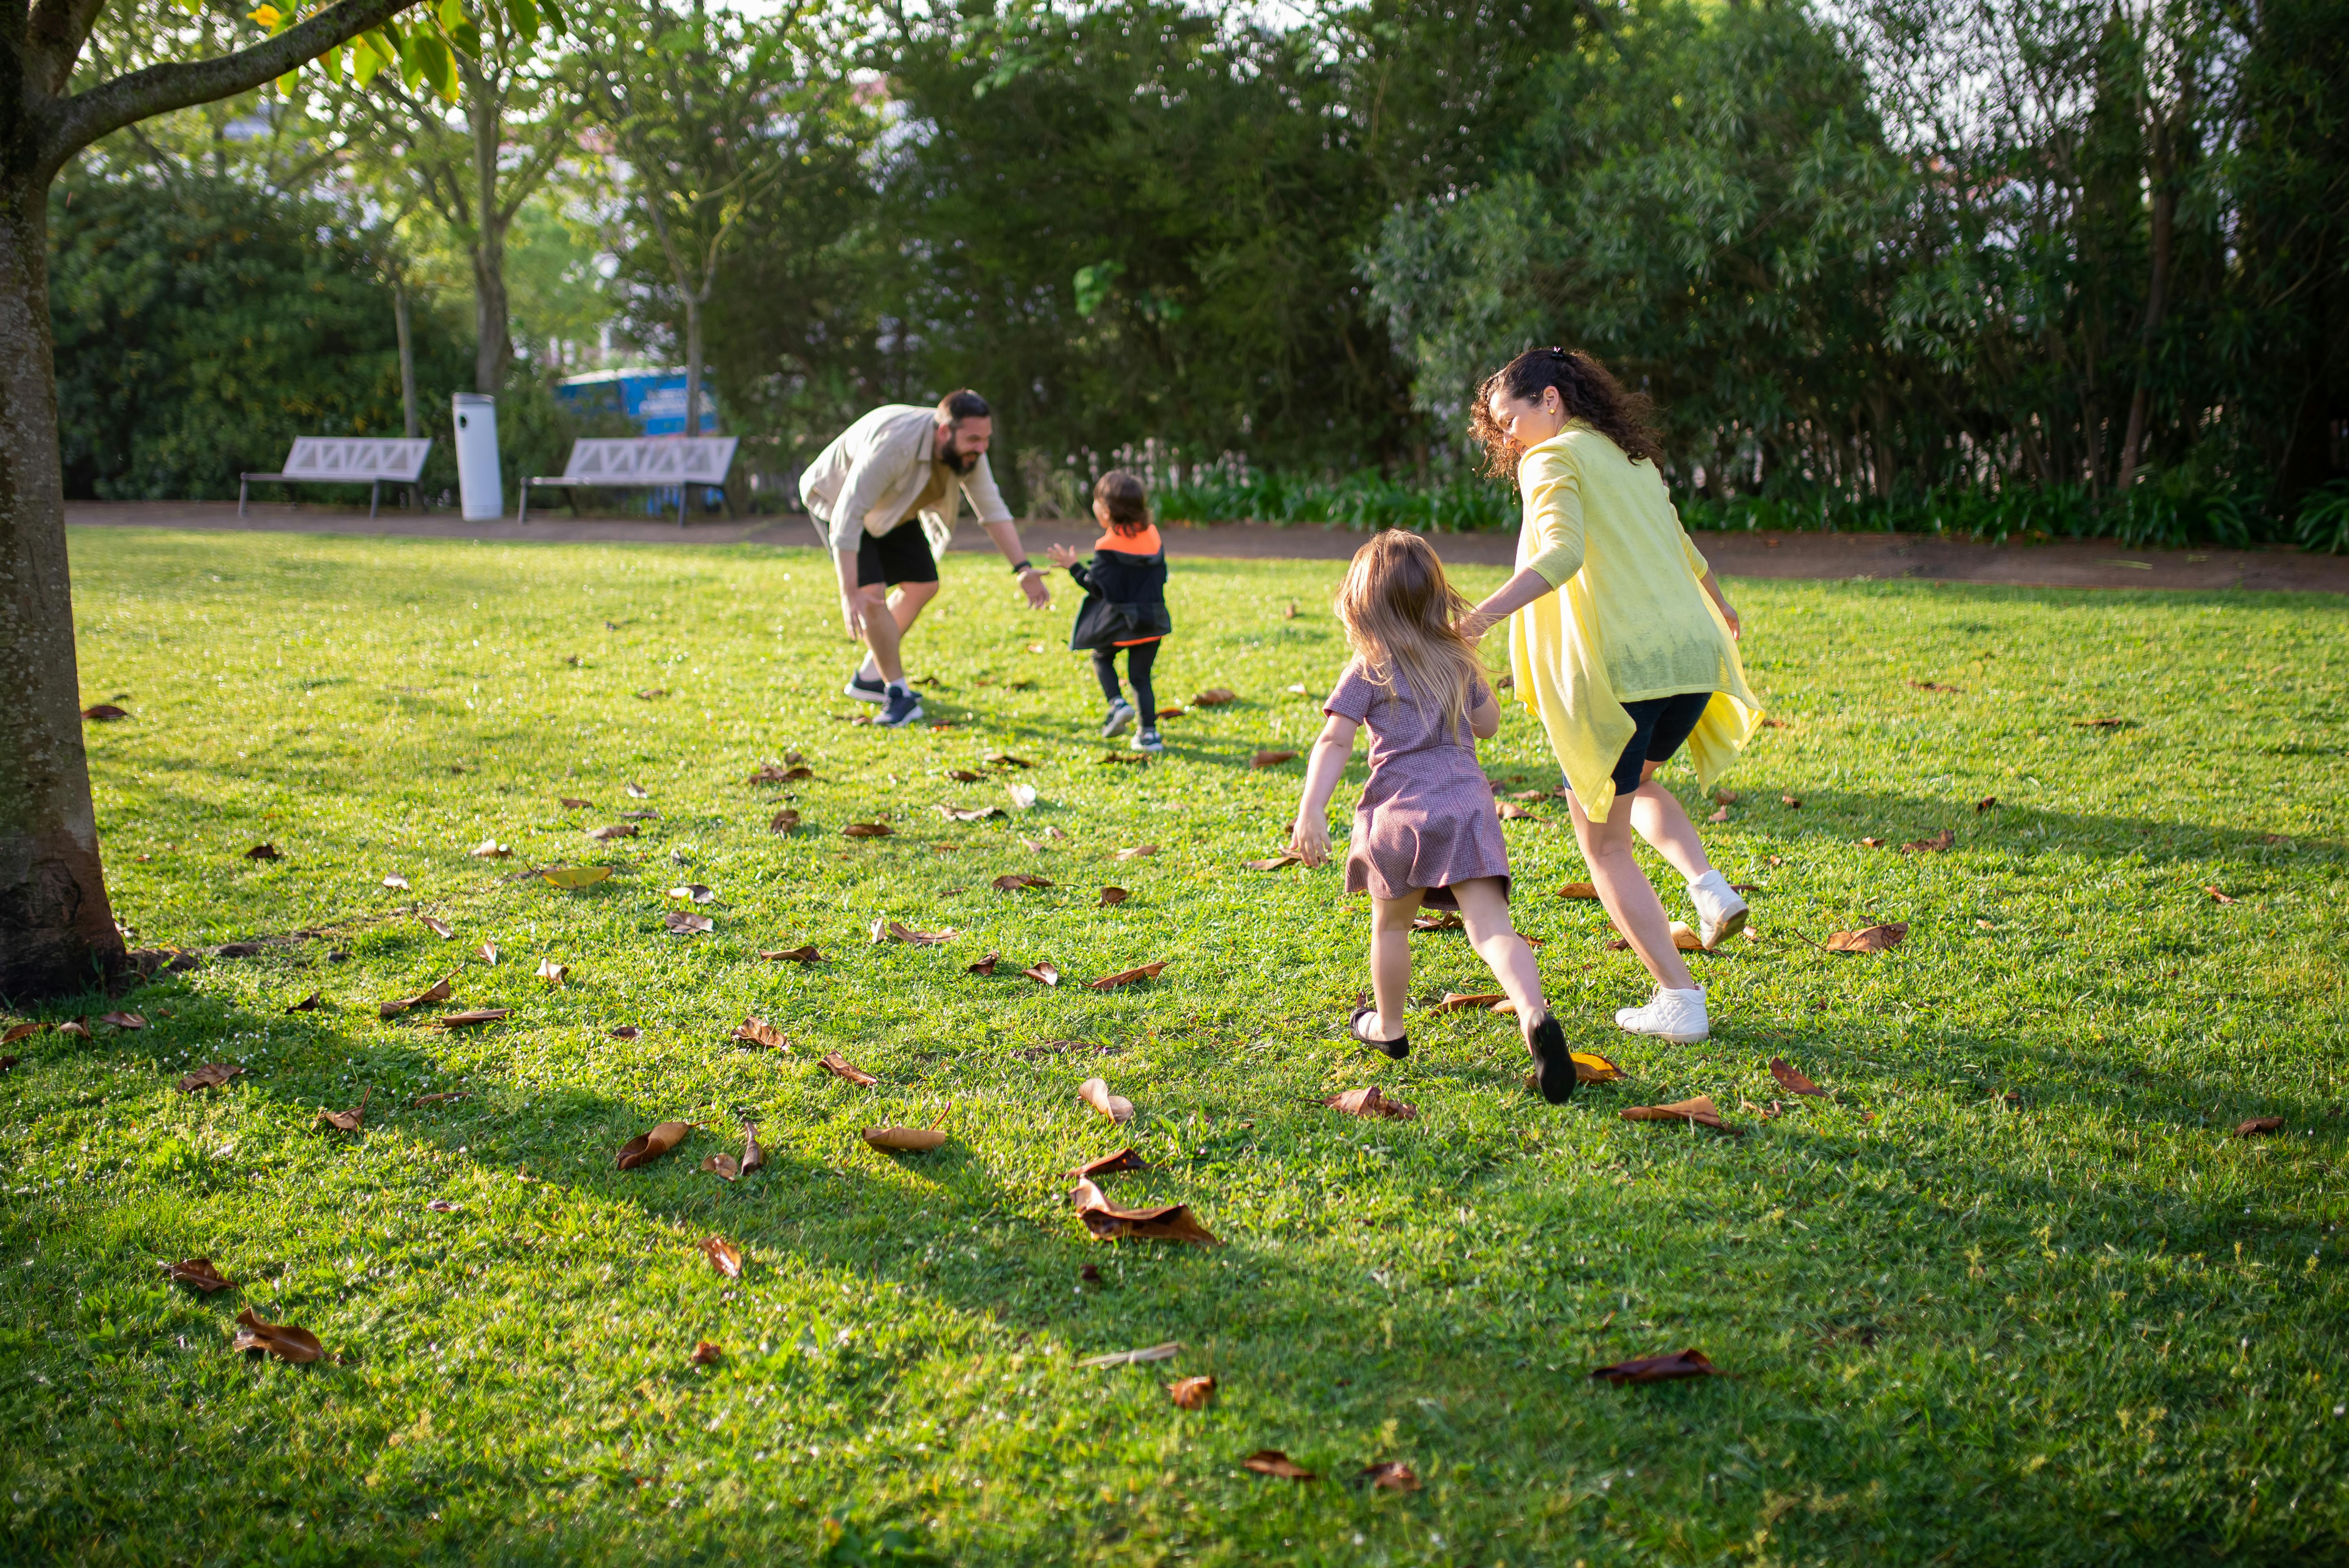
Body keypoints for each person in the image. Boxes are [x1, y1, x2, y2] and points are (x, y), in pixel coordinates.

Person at [1455, 348, 1762, 1046]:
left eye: (1511, 420)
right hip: (1690, 659)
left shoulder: (1551, 458)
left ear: (1553, 401)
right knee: (1635, 786)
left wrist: (1478, 619)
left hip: (1624, 673)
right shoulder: (1632, 461)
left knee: (1603, 845)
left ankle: (1678, 999)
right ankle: (1705, 884)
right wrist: (1722, 607)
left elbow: (1559, 554)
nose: (1507, 440)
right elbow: (1682, 544)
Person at [1289, 531, 1577, 1103]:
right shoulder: (1455, 657)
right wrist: (1473, 670)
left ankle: (1388, 1030)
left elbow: (1333, 740)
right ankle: (1532, 1014)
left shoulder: (1367, 666)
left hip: (1395, 813)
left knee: (1391, 925)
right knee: (1492, 930)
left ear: (1363, 604)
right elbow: (1489, 724)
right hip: (1465, 805)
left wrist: (1311, 810)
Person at [801, 390, 1051, 727]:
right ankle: (898, 694)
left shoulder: (969, 453)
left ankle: (869, 677)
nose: (982, 448)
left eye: (986, 439)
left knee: (923, 585)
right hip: (839, 501)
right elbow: (848, 515)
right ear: (944, 432)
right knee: (870, 597)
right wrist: (849, 592)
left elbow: (991, 508)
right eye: (974, 439)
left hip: (894, 510)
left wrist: (1022, 568)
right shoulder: (896, 444)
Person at [1044, 470, 1172, 753]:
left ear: (1106, 511)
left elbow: (1097, 588)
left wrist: (1073, 566)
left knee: (1101, 658)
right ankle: (1149, 735)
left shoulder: (1107, 546)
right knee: (1140, 678)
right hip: (1153, 621)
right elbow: (1161, 575)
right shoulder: (1152, 535)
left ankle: (1117, 704)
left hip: (1121, 624)